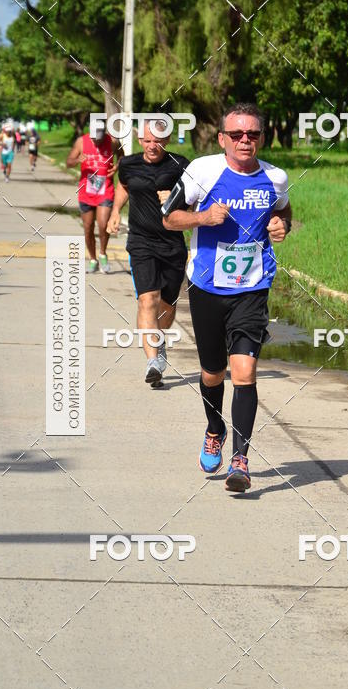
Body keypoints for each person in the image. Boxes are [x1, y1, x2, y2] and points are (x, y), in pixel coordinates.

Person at [163, 103, 292, 491]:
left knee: (245, 372)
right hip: (206, 287)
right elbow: (169, 217)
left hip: (252, 288)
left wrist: (280, 225)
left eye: (252, 134)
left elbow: (284, 212)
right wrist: (202, 218)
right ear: (222, 139)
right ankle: (214, 427)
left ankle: (241, 460)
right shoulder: (203, 171)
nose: (244, 140)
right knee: (212, 373)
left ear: (261, 137)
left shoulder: (276, 177)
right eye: (236, 134)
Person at [107, 120, 190, 388]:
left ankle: (159, 338)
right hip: (141, 241)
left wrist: (177, 199)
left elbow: (197, 198)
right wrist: (115, 211)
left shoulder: (181, 164)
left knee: (167, 304)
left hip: (172, 243)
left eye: (157, 141)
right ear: (140, 140)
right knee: (147, 300)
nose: (152, 146)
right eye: (146, 141)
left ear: (166, 141)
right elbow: (124, 187)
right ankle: (153, 361)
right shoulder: (129, 164)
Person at [66, 121, 121, 273]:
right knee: (88, 227)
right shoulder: (81, 142)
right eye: (94, 138)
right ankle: (93, 259)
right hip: (86, 191)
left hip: (105, 189)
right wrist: (77, 160)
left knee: (103, 225)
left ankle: (102, 254)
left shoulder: (113, 141)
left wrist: (117, 166)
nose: (97, 141)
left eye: (99, 138)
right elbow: (68, 162)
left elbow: (122, 156)